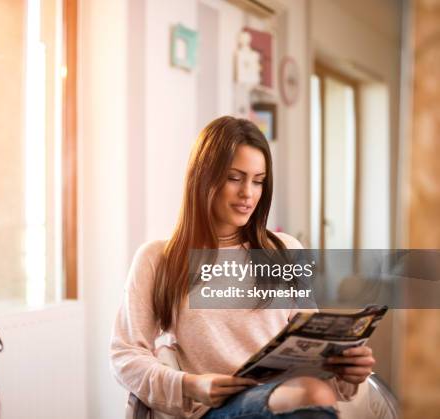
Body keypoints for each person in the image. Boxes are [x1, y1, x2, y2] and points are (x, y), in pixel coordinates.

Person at [109, 116, 375, 418]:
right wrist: (190, 384)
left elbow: (310, 347)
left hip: (290, 398)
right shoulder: (158, 259)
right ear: (204, 178)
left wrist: (346, 369)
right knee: (313, 395)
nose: (248, 193)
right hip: (218, 409)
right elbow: (125, 355)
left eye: (258, 181)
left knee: (314, 393)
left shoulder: (286, 252)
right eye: (235, 178)